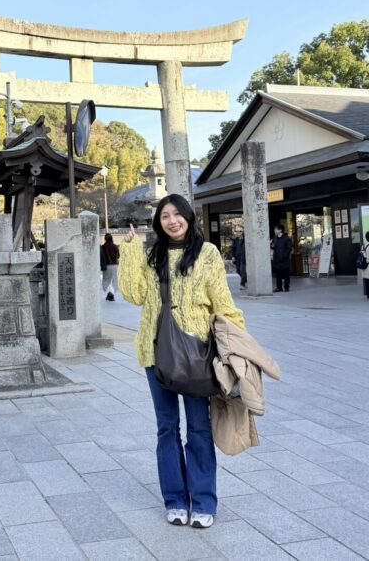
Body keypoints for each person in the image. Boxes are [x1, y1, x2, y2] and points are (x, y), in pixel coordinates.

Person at [118, 194, 245, 529]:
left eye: (177, 215)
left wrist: (238, 347)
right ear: (159, 222)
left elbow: (223, 302)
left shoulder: (207, 254)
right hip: (155, 352)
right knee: (166, 428)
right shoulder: (152, 255)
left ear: (188, 217)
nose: (172, 221)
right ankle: (175, 499)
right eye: (165, 216)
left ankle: (203, 501)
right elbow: (134, 295)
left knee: (199, 428)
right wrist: (129, 251)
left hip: (196, 354)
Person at [272, 224, 292, 292]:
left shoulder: (286, 238)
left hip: (284, 260)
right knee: (278, 275)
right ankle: (279, 287)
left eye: (276, 229)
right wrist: (271, 245)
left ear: (280, 230)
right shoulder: (275, 238)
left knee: (286, 274)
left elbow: (289, 248)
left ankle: (286, 287)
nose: (274, 230)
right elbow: (273, 246)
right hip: (277, 259)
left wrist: (284, 256)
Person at [101, 232, 120, 301]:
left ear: (105, 239)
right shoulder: (115, 246)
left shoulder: (103, 247)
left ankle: (109, 294)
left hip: (107, 265)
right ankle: (111, 294)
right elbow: (118, 256)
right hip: (115, 265)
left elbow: (101, 257)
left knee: (107, 280)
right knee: (114, 280)